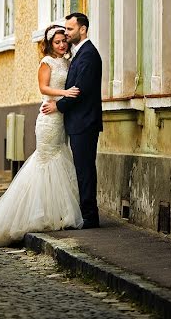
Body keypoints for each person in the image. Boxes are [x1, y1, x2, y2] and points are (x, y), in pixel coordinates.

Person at [0, 24, 84, 247]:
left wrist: (63, 103)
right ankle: (39, 213)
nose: (61, 45)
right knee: (46, 161)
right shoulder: (47, 63)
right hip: (48, 120)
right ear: (50, 44)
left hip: (60, 117)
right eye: (57, 42)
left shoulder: (67, 61)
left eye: (64, 41)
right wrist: (64, 94)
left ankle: (58, 212)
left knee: (60, 158)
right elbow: (43, 88)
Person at [40, 12, 103, 229]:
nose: (66, 34)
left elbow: (80, 91)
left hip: (85, 122)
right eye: (64, 30)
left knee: (85, 169)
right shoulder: (78, 54)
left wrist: (58, 105)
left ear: (82, 29)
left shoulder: (88, 55)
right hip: (76, 122)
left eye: (69, 29)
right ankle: (82, 212)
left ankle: (89, 216)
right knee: (81, 168)